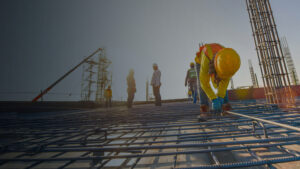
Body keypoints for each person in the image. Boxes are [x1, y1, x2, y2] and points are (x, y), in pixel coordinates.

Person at [195, 43, 240, 119]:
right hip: (202, 60)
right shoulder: (206, 60)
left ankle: (226, 108)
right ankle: (204, 110)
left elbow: (225, 81)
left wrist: (220, 97)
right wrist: (213, 99)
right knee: (201, 84)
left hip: (218, 60)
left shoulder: (229, 60)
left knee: (221, 83)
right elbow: (204, 83)